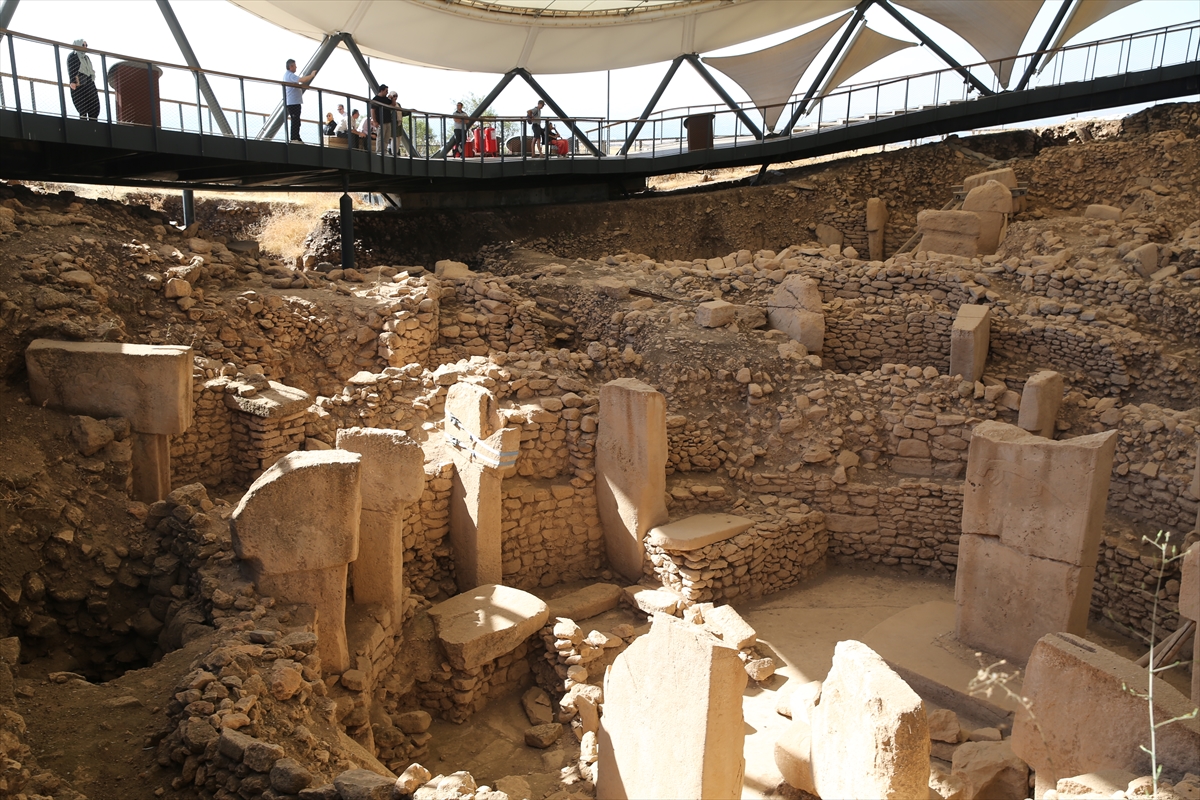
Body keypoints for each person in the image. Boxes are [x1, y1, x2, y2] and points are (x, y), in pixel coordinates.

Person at [282, 58, 316, 143]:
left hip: (294, 102)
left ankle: (296, 137)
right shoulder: (290, 75)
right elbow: (302, 80)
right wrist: (311, 75)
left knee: (296, 120)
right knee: (295, 120)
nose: (296, 67)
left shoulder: (288, 75)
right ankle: (294, 138)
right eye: (295, 65)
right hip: (293, 102)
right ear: (291, 66)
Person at [66, 39, 100, 120]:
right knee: (82, 106)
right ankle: (84, 123)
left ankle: (93, 123)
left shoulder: (86, 57)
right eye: (83, 45)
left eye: (86, 45)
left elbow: (89, 70)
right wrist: (72, 81)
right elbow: (71, 69)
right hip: (80, 83)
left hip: (89, 83)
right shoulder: (73, 56)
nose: (85, 47)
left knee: (94, 104)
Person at [372, 84, 396, 156]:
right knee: (380, 137)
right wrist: (375, 121)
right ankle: (379, 151)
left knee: (386, 137)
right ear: (382, 91)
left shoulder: (386, 99)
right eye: (386, 91)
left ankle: (384, 152)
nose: (387, 92)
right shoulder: (375, 99)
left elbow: (393, 105)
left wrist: (392, 99)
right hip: (380, 121)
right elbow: (372, 110)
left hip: (388, 121)